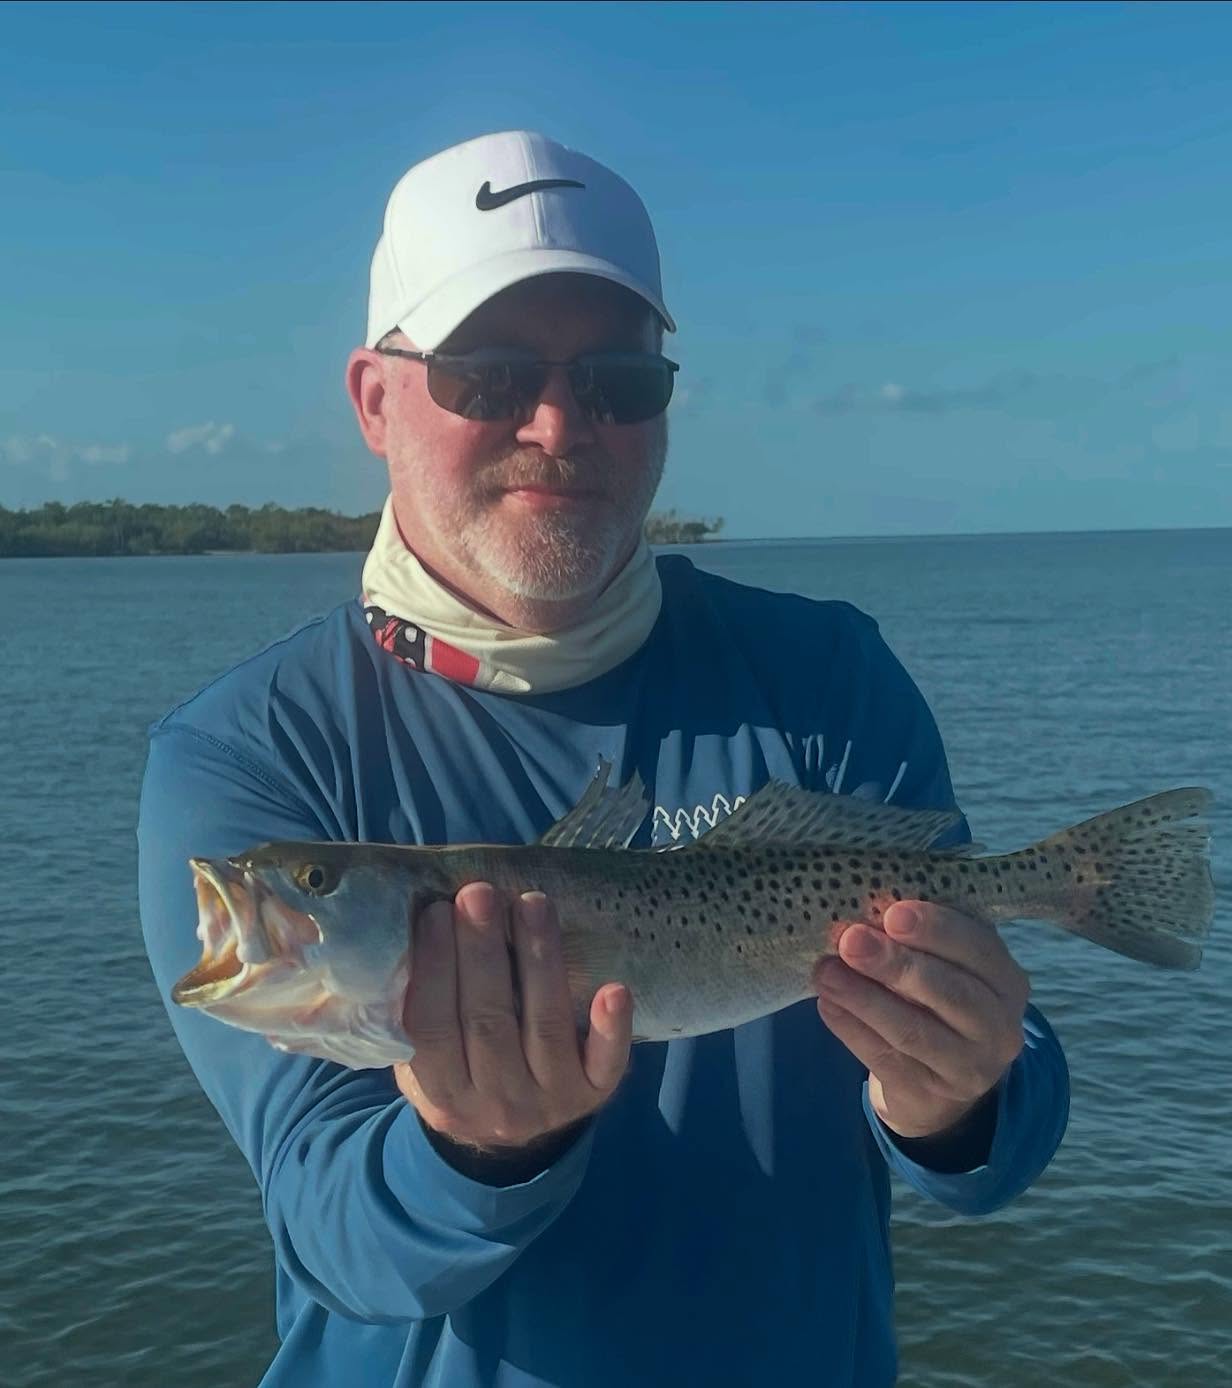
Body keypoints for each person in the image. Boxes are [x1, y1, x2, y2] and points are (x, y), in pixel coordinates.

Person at [139, 130, 1069, 1388]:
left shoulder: (830, 677)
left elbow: (1002, 1139)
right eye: (489, 371)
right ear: (373, 397)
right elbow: (336, 1232)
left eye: (622, 380)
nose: (559, 421)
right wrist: (477, 1151)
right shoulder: (249, 754)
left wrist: (958, 1094)